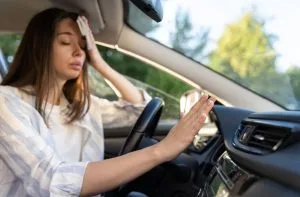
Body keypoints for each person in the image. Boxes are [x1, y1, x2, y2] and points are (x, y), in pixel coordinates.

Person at [0, 8, 216, 197]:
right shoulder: (7, 101)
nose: (78, 52)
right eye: (66, 42)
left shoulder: (82, 107)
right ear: (40, 47)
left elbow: (138, 110)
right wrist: (161, 151)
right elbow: (52, 180)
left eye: (83, 45)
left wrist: (98, 61)